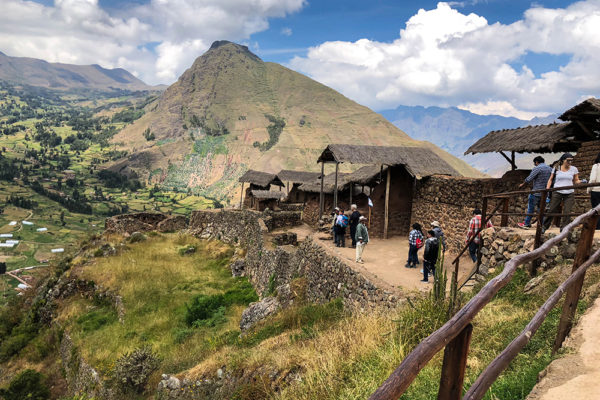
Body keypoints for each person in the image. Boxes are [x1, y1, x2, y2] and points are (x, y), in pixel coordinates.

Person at [543, 153, 581, 232]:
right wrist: (547, 188)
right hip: (557, 191)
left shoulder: (574, 169)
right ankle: (544, 227)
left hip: (569, 192)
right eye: (568, 160)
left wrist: (580, 182)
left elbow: (576, 180)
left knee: (567, 212)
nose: (570, 162)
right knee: (552, 209)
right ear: (563, 160)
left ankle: (564, 229)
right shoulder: (557, 168)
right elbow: (550, 179)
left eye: (571, 160)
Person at [518, 156, 553, 228]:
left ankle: (527, 224)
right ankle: (541, 225)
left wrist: (522, 185)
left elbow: (529, 179)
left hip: (536, 192)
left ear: (536, 162)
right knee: (541, 210)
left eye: (535, 163)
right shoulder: (550, 169)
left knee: (531, 208)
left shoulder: (537, 168)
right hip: (545, 193)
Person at [588, 152, 600, 230]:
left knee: (596, 210)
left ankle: (597, 227)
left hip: (596, 190)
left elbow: (592, 179)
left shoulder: (596, 166)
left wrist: (589, 189)